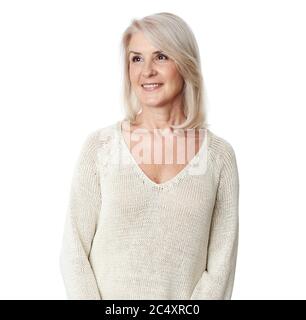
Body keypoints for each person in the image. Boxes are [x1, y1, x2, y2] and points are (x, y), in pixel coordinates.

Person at [59, 12, 239, 300]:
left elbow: (221, 269)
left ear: (186, 64)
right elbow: (74, 251)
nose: (147, 71)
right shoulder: (101, 147)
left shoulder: (219, 158)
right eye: (136, 59)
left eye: (161, 57)